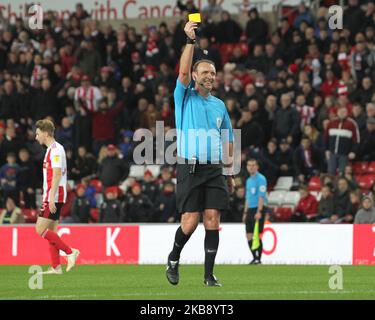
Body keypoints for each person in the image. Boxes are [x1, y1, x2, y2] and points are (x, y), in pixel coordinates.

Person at [166, 21, 235, 287]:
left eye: (212, 72)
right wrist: (190, 41)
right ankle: (173, 257)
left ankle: (208, 275)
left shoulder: (219, 106)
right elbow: (182, 71)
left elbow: (227, 138)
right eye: (204, 71)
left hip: (214, 168)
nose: (209, 75)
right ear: (195, 76)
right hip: (190, 167)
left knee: (212, 220)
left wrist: (229, 170)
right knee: (190, 221)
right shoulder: (184, 96)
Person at [34, 119, 79, 275]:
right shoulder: (51, 150)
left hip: (55, 194)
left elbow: (57, 173)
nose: (36, 137)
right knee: (52, 230)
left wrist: (51, 197)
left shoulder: (56, 149)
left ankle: (69, 251)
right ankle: (56, 267)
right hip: (53, 193)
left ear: (46, 133)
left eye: (38, 133)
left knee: (40, 229)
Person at [243, 159, 267, 264]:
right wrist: (245, 212)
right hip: (250, 209)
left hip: (258, 208)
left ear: (257, 166)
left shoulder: (261, 179)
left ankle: (259, 258)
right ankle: (254, 257)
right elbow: (247, 197)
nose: (251, 167)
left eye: (253, 165)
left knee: (257, 234)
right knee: (248, 234)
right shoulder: (248, 180)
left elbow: (261, 196)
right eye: (249, 165)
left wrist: (259, 211)